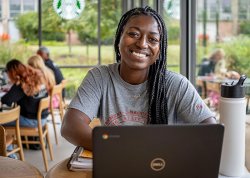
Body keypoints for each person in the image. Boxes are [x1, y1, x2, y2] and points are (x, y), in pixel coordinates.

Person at [61, 6, 216, 150]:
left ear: (159, 51)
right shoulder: (100, 77)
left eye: (153, 39)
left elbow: (210, 131)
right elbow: (70, 126)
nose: (142, 44)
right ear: (119, 37)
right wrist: (125, 150)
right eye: (133, 34)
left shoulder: (176, 84)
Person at [1, 59, 49, 127]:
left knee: (2, 120)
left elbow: (6, 101)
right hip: (43, 118)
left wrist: (14, 85)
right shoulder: (37, 77)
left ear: (12, 73)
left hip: (31, 121)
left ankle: (8, 137)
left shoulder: (22, 84)